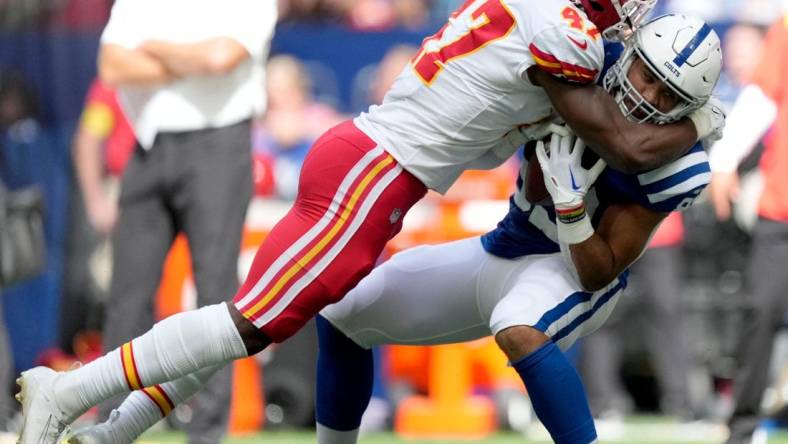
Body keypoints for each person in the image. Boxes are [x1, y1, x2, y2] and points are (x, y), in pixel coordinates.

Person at [16, 1, 724, 443]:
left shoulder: (565, 26)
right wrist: (700, 121)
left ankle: (111, 433)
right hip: (373, 173)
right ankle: (70, 391)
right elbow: (626, 140)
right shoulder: (565, 31)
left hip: (374, 169)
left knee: (264, 316)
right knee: (249, 322)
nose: (630, 17)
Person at [62, 1, 277, 443]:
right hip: (149, 146)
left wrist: (152, 47)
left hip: (220, 142)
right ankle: (111, 427)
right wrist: (190, 59)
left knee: (216, 297)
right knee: (127, 296)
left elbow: (222, 58)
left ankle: (207, 433)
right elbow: (112, 65)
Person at [706, 12, 788, 444]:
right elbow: (761, 96)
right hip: (781, 207)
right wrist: (724, 160)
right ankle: (742, 431)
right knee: (760, 309)